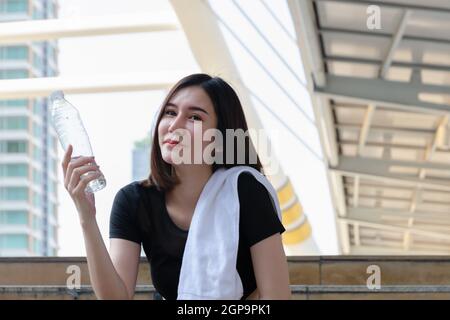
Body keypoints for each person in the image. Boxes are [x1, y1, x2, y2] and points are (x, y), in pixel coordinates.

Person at [61, 73, 291, 300]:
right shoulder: (134, 200)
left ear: (220, 137)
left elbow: (277, 296)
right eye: (170, 113)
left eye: (195, 118)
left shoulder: (245, 191)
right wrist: (87, 217)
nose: (175, 125)